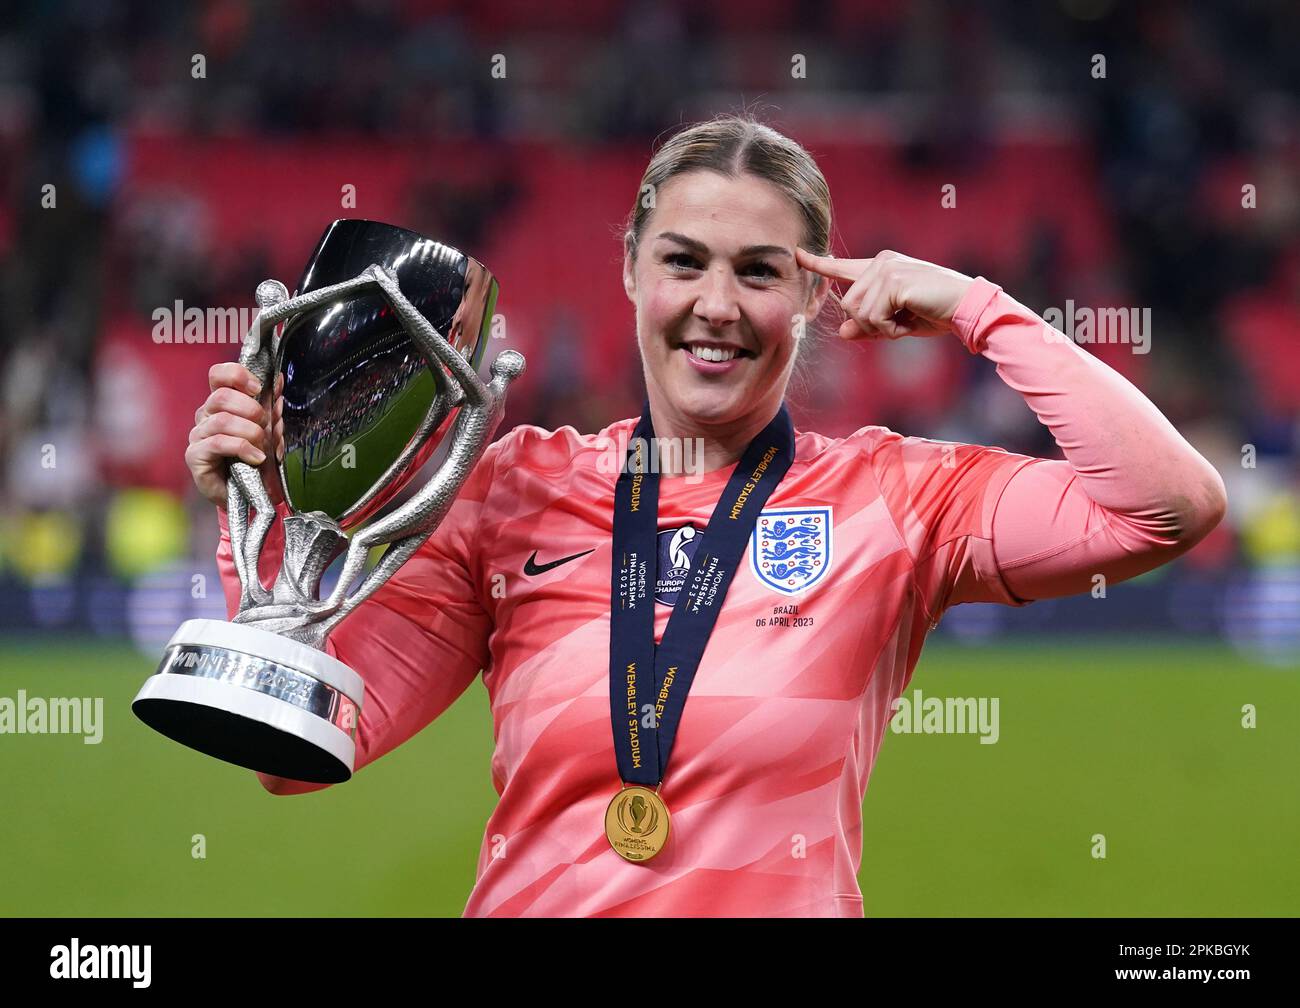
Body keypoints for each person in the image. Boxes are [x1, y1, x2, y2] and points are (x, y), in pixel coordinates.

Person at [185, 115, 1226, 917]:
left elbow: (1165, 506)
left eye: (759, 271)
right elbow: (294, 757)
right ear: (632, 271)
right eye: (683, 261)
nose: (716, 305)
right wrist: (263, 524)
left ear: (812, 296)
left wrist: (970, 306)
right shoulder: (509, 492)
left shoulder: (899, 498)